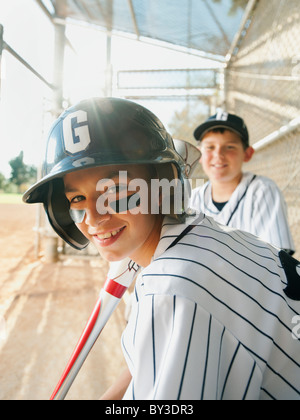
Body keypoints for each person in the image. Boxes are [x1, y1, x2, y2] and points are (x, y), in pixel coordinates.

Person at [23, 98, 300, 400]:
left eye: (114, 190)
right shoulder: (195, 230)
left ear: (163, 183)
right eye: (76, 198)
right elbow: (154, 360)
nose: (94, 217)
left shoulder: (171, 286)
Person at [190, 111, 295, 255]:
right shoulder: (192, 198)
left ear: (247, 153)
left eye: (230, 147)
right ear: (198, 154)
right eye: (210, 147)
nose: (218, 155)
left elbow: (278, 260)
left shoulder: (262, 191)